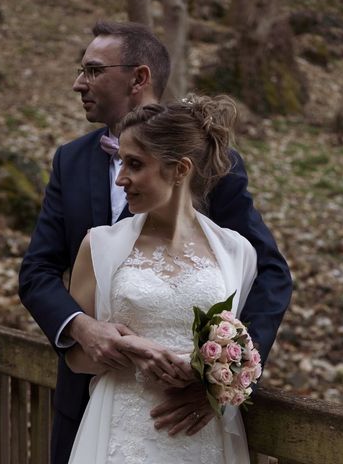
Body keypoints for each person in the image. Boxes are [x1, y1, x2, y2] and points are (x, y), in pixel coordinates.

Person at [18, 21, 292, 464]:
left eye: (92, 70)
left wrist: (225, 378)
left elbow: (271, 275)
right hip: (92, 403)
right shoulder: (70, 160)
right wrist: (83, 329)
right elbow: (37, 272)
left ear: (138, 77)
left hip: (194, 417)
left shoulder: (212, 163)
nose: (78, 83)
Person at [67, 94, 255, 463]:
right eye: (121, 163)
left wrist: (209, 375)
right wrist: (132, 350)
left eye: (135, 164)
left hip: (201, 438)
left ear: (180, 169)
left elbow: (241, 351)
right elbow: (75, 356)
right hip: (121, 433)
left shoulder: (236, 253)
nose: (121, 178)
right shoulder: (99, 246)